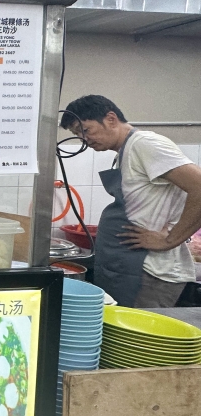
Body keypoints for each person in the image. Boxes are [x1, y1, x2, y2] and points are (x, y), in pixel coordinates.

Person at [61, 95, 201, 308]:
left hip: (149, 274)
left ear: (110, 118)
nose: (84, 139)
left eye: (86, 130)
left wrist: (170, 240)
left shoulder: (145, 144)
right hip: (127, 268)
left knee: (139, 339)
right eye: (77, 134)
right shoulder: (124, 152)